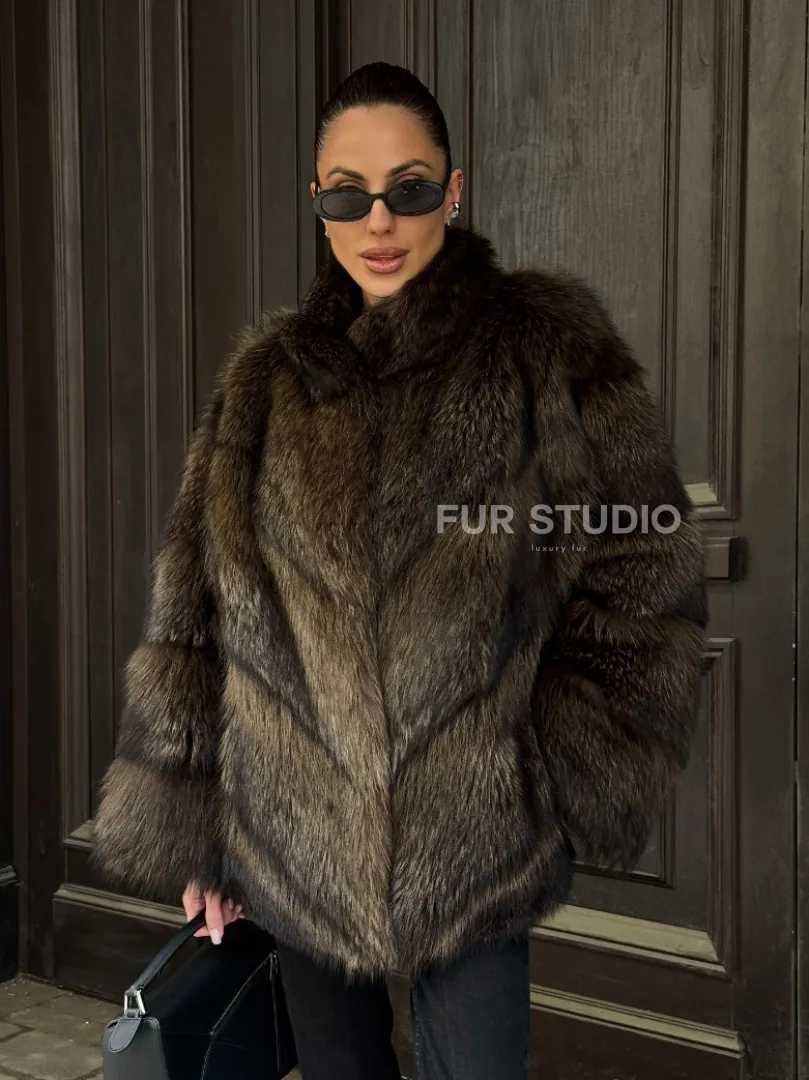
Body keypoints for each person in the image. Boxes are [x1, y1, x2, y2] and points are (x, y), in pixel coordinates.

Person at [90, 61, 708, 1080]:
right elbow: (194, 620)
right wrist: (196, 832)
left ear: (451, 191)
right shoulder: (264, 384)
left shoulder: (543, 349)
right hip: (293, 849)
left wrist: (549, 772)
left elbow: (645, 565)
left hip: (473, 848)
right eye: (347, 193)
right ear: (317, 201)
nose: (378, 220)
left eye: (408, 188)